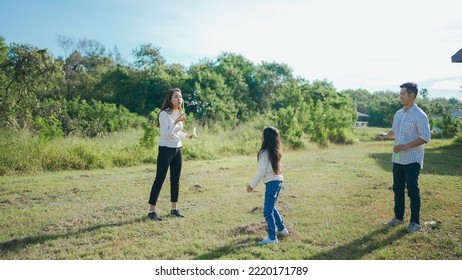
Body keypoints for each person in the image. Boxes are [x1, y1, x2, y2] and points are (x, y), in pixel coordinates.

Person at [378, 82, 431, 233]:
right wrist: (385, 135)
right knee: (397, 188)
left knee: (412, 190)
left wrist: (405, 146)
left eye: (403, 94)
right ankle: (398, 218)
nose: (400, 96)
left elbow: (425, 137)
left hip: (413, 159)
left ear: (412, 95)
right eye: (400, 93)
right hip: (398, 158)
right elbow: (393, 132)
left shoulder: (420, 115)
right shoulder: (398, 114)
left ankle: (415, 222)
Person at [147, 88, 193, 221]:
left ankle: (174, 209)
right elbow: (166, 134)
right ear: (170, 99)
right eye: (176, 97)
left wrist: (187, 136)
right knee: (159, 179)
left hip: (178, 149)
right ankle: (151, 211)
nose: (179, 99)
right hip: (165, 149)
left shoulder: (179, 112)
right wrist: (176, 121)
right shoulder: (164, 114)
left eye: (180, 97)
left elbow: (177, 133)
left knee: (175, 180)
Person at [246, 127, 289, 244]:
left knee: (267, 211)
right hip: (279, 180)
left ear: (266, 138)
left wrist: (252, 185)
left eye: (262, 135)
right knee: (271, 207)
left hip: (272, 183)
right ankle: (282, 229)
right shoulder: (275, 151)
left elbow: (261, 172)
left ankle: (272, 237)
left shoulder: (263, 153)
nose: (261, 137)